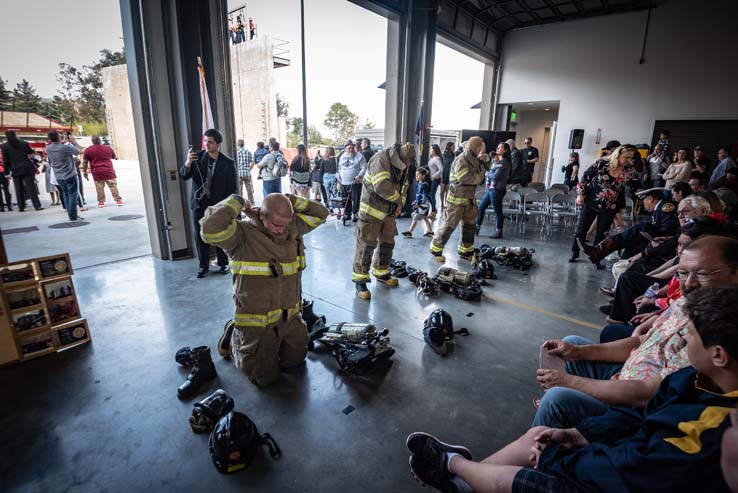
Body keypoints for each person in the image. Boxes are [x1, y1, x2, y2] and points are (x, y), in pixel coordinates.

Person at [405, 283, 738, 493]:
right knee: (540, 436)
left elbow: (634, 469)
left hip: (626, 473)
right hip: (627, 447)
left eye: (689, 336)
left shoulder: (713, 429)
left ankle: (454, 466)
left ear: (718, 355)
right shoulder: (693, 380)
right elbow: (638, 421)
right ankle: (463, 480)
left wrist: (555, 459)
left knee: (524, 479)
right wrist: (578, 435)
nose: (684, 340)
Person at [536, 236, 738, 429]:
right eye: (683, 273)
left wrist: (571, 382)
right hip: (626, 374)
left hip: (634, 406)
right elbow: (644, 340)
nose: (689, 283)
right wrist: (578, 351)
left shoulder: (714, 330)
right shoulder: (688, 302)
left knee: (556, 400)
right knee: (572, 343)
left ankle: (544, 454)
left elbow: (646, 394)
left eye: (702, 273)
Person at [201, 192, 328, 387]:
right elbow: (209, 230)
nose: (281, 230)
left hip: (290, 318)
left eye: (286, 224)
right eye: (276, 224)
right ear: (261, 215)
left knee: (295, 362)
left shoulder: (291, 227)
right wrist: (237, 200)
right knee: (265, 379)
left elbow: (321, 213)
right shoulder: (241, 236)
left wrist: (291, 201)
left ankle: (277, 345)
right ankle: (234, 337)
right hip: (259, 324)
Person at [352, 143, 413, 300]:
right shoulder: (380, 159)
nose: (407, 165)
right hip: (371, 209)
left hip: (389, 211)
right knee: (366, 245)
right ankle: (360, 280)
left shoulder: (405, 162)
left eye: (409, 162)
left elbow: (405, 185)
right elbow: (381, 186)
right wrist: (398, 200)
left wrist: (400, 203)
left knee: (387, 242)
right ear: (398, 156)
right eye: (406, 162)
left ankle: (381, 271)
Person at [179, 128, 238, 278]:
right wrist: (187, 163)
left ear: (219, 144)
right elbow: (184, 176)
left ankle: (223, 263)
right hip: (199, 203)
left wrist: (232, 210)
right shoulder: (196, 157)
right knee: (200, 236)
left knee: (220, 234)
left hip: (218, 205)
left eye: (210, 142)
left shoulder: (228, 163)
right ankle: (203, 266)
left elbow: (232, 189)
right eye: (205, 141)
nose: (207, 145)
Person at [569, 145, 637, 265]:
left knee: (602, 232)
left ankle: (596, 258)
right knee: (582, 229)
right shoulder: (602, 163)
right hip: (592, 201)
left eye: (631, 158)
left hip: (610, 205)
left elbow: (631, 186)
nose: (628, 160)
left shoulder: (629, 170)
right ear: (618, 154)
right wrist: (580, 194)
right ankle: (575, 252)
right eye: (626, 157)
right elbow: (585, 178)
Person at [579, 188, 679, 265]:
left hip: (665, 241)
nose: (643, 205)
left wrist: (657, 238)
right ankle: (619, 275)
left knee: (641, 227)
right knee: (630, 244)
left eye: (643, 201)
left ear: (650, 199)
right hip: (654, 239)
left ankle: (598, 251)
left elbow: (668, 230)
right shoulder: (658, 209)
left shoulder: (666, 206)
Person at [430, 136, 491, 262]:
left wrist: (487, 159)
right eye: (481, 147)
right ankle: (436, 249)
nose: (483, 150)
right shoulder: (462, 159)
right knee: (449, 225)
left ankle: (466, 251)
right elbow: (465, 178)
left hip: (468, 200)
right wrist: (480, 177)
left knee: (469, 226)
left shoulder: (474, 158)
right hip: (456, 201)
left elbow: (486, 168)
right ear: (478, 147)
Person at [476, 141, 511, 239]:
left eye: (500, 148)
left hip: (498, 189)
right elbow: (492, 171)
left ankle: (499, 231)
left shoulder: (504, 162)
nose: (498, 149)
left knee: (497, 211)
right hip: (492, 189)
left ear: (505, 150)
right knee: (481, 207)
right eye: (498, 147)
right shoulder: (497, 161)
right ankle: (477, 228)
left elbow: (495, 176)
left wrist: (487, 174)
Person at [46, 130, 85, 219]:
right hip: (70, 174)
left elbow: (57, 146)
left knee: (66, 194)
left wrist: (63, 142)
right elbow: (79, 151)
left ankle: (70, 214)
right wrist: (73, 142)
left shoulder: (48, 148)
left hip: (58, 176)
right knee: (72, 195)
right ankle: (73, 216)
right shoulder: (65, 148)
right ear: (58, 137)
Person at [1, 130, 42, 211]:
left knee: (18, 188)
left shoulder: (4, 146)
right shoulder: (24, 143)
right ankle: (37, 206)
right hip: (27, 167)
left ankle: (21, 207)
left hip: (15, 169)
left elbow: (5, 160)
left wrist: (6, 172)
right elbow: (30, 152)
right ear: (15, 135)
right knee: (31, 187)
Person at [82, 136, 122, 207]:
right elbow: (114, 157)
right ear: (100, 141)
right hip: (108, 170)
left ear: (92, 141)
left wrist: (84, 171)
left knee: (99, 187)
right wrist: (115, 158)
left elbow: (85, 162)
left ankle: (101, 202)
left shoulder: (88, 150)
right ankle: (118, 200)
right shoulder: (107, 148)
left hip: (97, 172)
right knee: (113, 186)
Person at [337, 140, 366, 222]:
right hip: (344, 182)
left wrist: (359, 175)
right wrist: (339, 176)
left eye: (352, 148)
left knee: (356, 199)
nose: (351, 150)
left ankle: (356, 214)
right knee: (345, 199)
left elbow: (364, 167)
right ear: (345, 149)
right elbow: (340, 167)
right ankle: (347, 214)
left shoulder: (359, 156)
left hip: (355, 182)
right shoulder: (342, 156)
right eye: (349, 148)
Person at [403, 166, 433, 238]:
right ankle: (430, 231)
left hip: (423, 206)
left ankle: (409, 232)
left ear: (423, 176)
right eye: (416, 175)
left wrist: (418, 204)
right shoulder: (419, 184)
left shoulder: (424, 185)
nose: (416, 176)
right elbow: (419, 195)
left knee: (415, 218)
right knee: (425, 218)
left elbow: (425, 196)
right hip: (423, 205)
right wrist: (415, 201)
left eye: (418, 175)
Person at [235, 139, 254, 204]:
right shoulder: (248, 152)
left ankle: (240, 203)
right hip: (246, 173)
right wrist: (249, 169)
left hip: (239, 174)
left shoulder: (236, 152)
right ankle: (252, 202)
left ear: (237, 144)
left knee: (240, 190)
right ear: (244, 144)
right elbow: (252, 162)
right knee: (249, 190)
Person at [428, 144, 443, 219]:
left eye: (431, 149)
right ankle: (434, 208)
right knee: (429, 195)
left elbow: (441, 169)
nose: (430, 151)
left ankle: (433, 211)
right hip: (432, 179)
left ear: (435, 150)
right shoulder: (432, 158)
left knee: (432, 195)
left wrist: (433, 177)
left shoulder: (437, 159)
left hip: (435, 180)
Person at [320, 146, 337, 211]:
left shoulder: (324, 159)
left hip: (325, 176)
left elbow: (321, 170)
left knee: (328, 193)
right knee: (334, 192)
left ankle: (330, 207)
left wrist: (320, 179)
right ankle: (334, 205)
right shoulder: (335, 159)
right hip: (333, 175)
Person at [440, 142, 455, 211]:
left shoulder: (454, 155)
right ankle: (441, 204)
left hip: (450, 173)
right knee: (442, 189)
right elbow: (441, 165)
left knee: (448, 190)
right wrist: (441, 176)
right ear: (449, 146)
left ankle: (446, 204)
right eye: (453, 146)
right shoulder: (443, 155)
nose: (454, 147)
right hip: (444, 172)